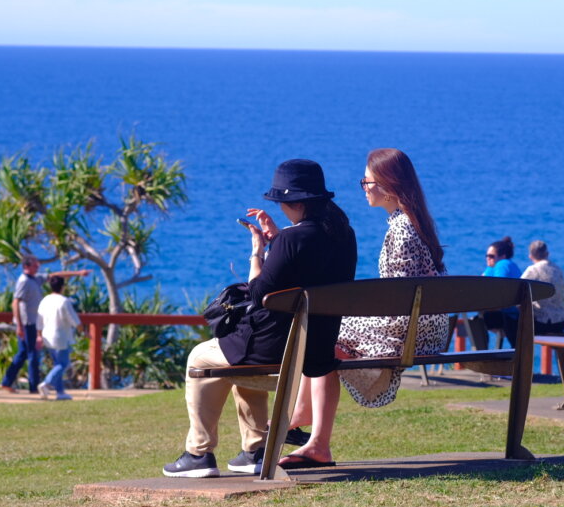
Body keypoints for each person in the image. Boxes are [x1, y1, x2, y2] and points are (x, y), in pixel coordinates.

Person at [163, 159, 356, 479]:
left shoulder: (290, 240)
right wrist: (278, 241)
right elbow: (301, 267)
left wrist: (259, 250)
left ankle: (199, 453)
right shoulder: (342, 235)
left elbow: (258, 293)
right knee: (234, 357)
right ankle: (254, 449)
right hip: (317, 349)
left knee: (200, 356)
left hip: (276, 348)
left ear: (292, 202)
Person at [280, 148, 447, 469]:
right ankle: (305, 419)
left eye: (367, 181)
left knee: (322, 334)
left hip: (411, 332)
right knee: (324, 331)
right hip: (427, 328)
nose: (364, 188)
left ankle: (313, 435)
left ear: (389, 184)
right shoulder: (417, 223)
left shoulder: (401, 230)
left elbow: (399, 300)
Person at [0, 256, 89, 395]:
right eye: (35, 266)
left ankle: (6, 382)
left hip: (32, 323)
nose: (38, 268)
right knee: (33, 355)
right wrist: (19, 325)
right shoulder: (23, 281)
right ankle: (34, 387)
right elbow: (16, 302)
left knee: (23, 354)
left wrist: (77, 274)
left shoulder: (35, 279)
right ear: (27, 267)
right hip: (27, 323)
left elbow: (55, 275)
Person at [36, 276, 82, 400]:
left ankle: (60, 392)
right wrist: (83, 331)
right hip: (60, 336)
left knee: (57, 364)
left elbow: (39, 320)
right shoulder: (64, 301)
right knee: (63, 364)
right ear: (62, 287)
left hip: (47, 336)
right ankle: (47, 383)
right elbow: (73, 319)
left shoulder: (45, 300)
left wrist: (39, 335)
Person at [520, 240, 564, 334]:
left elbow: (518, 290)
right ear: (547, 254)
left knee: (512, 320)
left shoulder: (533, 270)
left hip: (545, 322)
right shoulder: (557, 269)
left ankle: (516, 347)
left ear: (530, 256)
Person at [479, 236, 523, 347]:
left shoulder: (502, 264)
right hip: (515, 313)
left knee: (477, 322)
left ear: (502, 256)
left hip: (511, 314)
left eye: (491, 256)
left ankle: (483, 356)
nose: (488, 258)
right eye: (487, 256)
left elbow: (498, 286)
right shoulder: (497, 267)